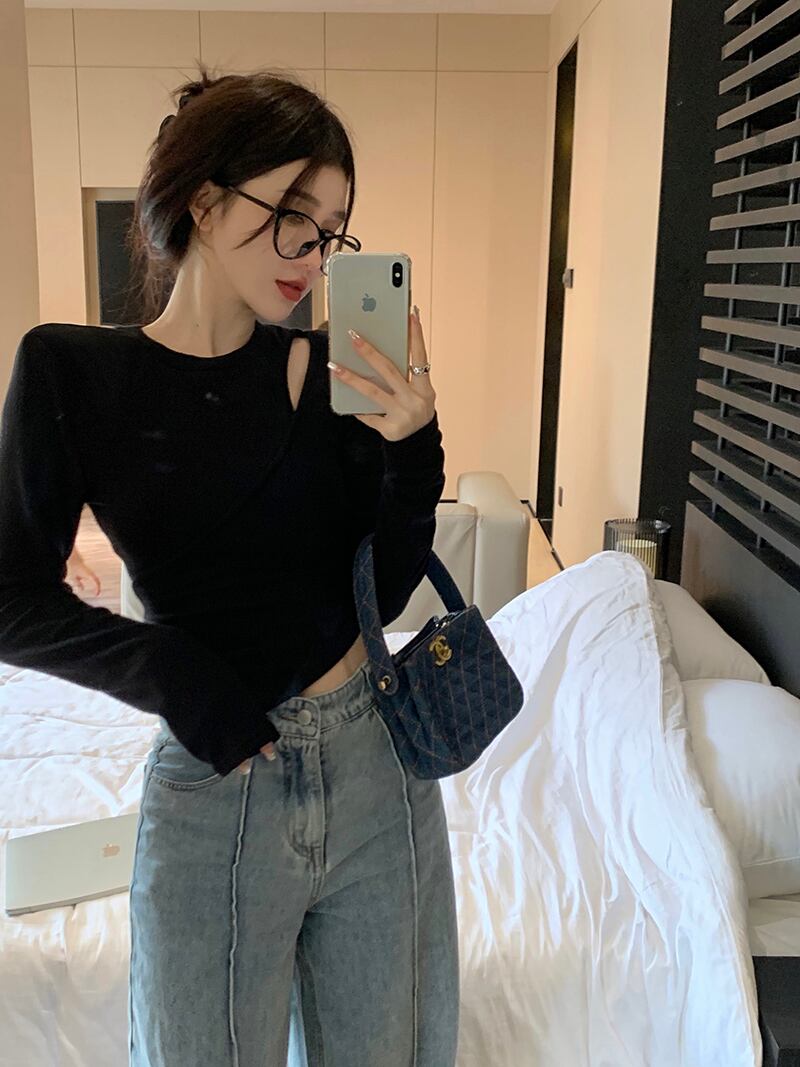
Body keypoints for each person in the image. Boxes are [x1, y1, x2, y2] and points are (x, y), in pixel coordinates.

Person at [0, 66, 459, 1065]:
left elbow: (380, 589)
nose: (314, 253)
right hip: (217, 785)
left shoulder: (327, 371)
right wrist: (178, 676)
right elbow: (11, 600)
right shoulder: (74, 375)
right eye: (294, 215)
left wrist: (413, 445)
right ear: (204, 201)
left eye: (331, 230)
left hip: (378, 771)